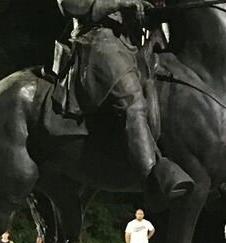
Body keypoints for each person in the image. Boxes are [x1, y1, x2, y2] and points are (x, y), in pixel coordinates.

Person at [56, 0, 193, 199]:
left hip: (132, 42)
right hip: (97, 39)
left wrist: (155, 16)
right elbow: (71, 5)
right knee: (133, 102)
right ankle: (153, 175)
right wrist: (120, 3)